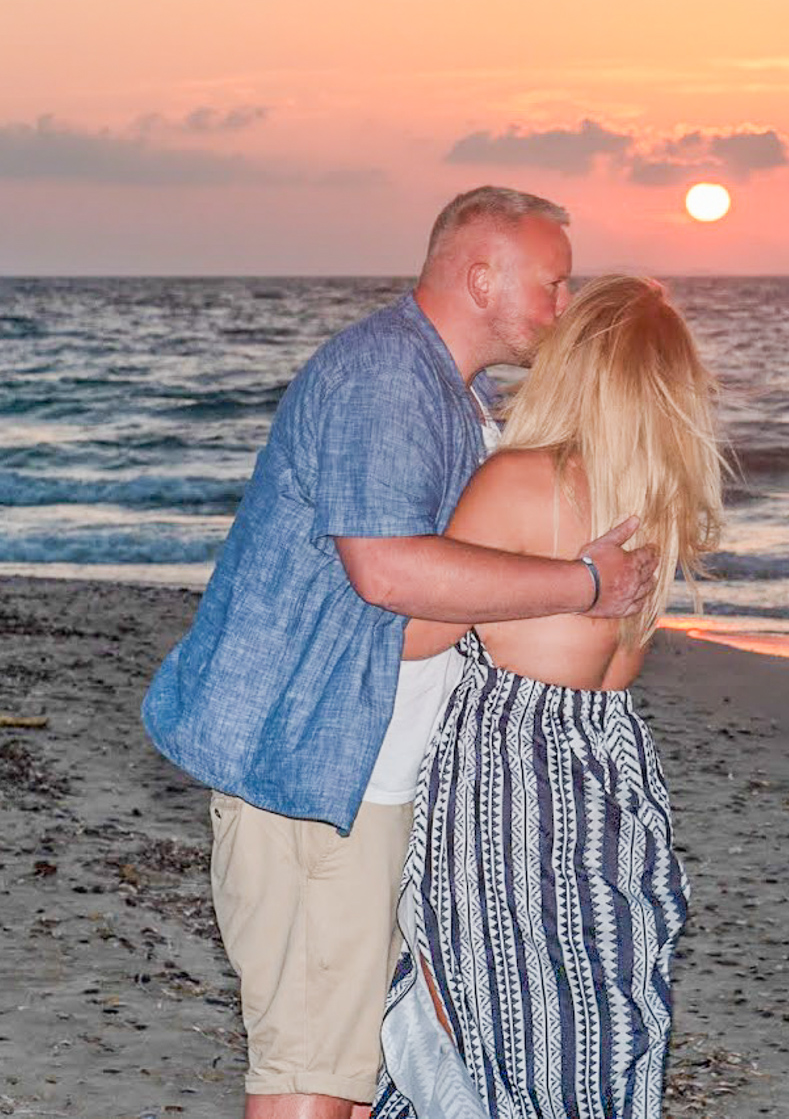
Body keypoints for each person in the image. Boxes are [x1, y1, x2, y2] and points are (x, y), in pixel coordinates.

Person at [141, 188, 661, 1119]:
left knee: (345, 1055)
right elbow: (387, 573)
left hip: (363, 776)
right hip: (318, 776)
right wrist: (585, 586)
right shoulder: (387, 378)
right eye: (551, 282)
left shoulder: (443, 392)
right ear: (480, 275)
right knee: (312, 1070)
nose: (561, 305)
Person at [373, 275, 725, 1119]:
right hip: (607, 758)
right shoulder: (657, 501)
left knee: (479, 991)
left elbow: (417, 631)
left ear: (573, 368)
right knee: (584, 1000)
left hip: (512, 756)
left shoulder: (523, 480)